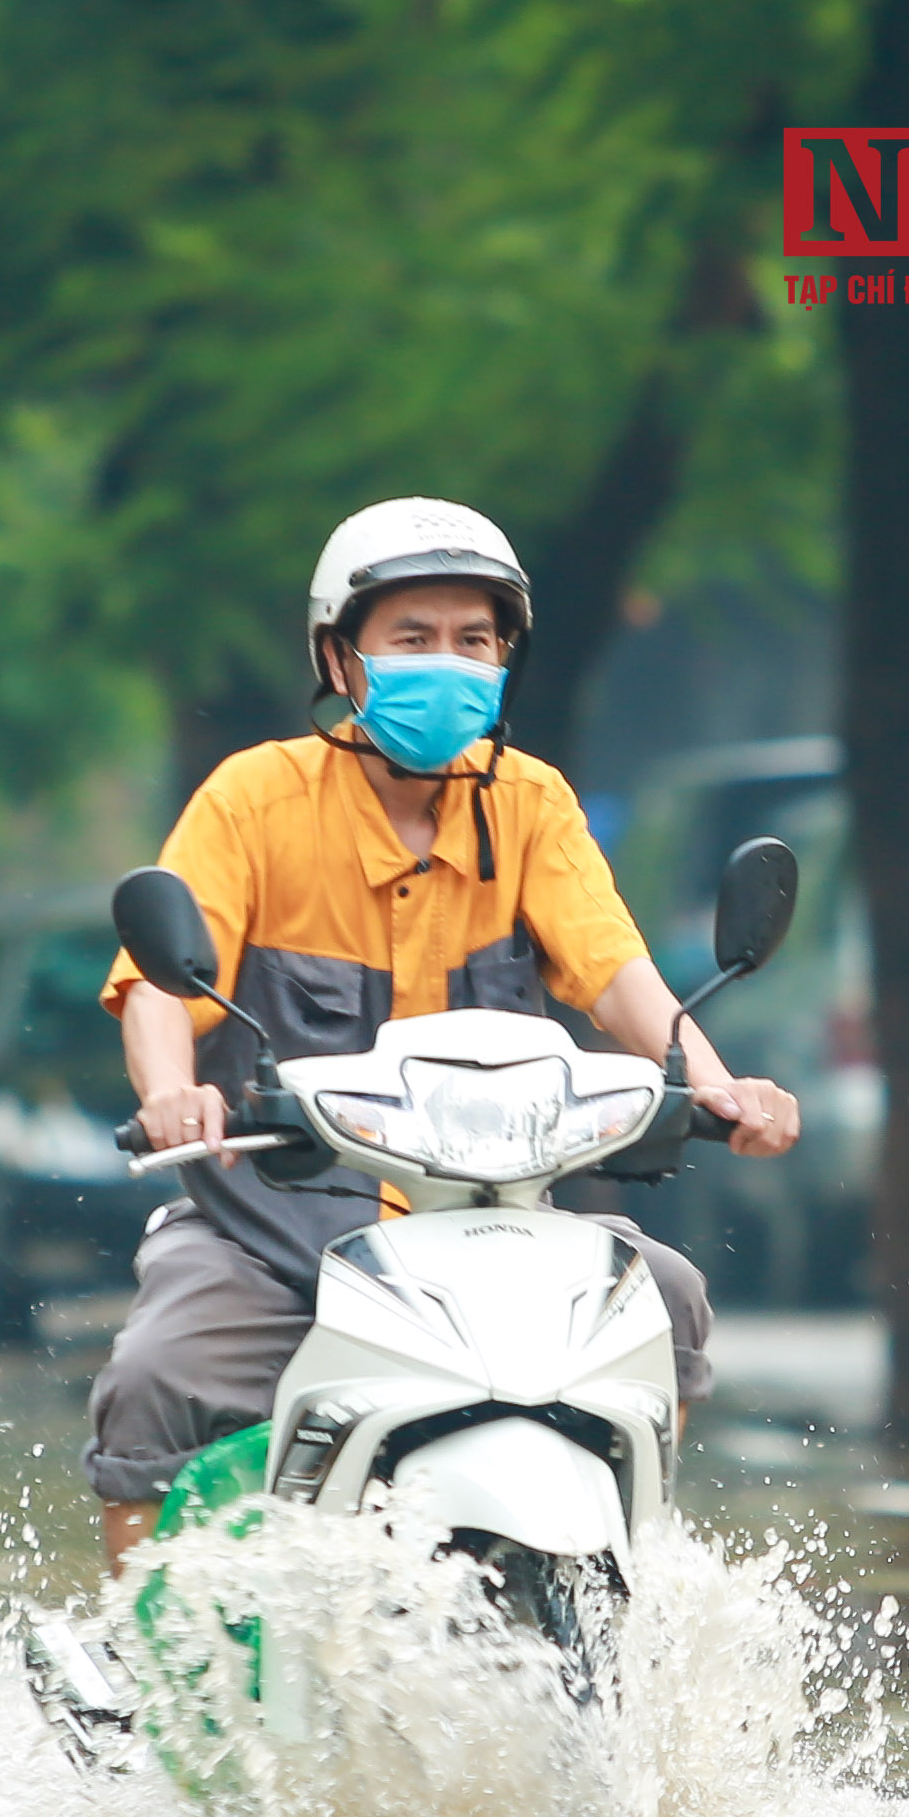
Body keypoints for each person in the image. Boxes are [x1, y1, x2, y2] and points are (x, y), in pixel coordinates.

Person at [84, 499, 801, 1567]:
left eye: (475, 641)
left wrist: (719, 1083)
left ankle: (619, 1565)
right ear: (341, 656)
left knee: (674, 1305)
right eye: (411, 639)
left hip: (492, 1232)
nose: (447, 665)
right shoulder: (255, 799)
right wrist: (169, 1090)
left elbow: (617, 977)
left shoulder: (531, 804)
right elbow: (159, 984)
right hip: (272, 1238)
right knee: (154, 1373)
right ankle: (141, 1656)